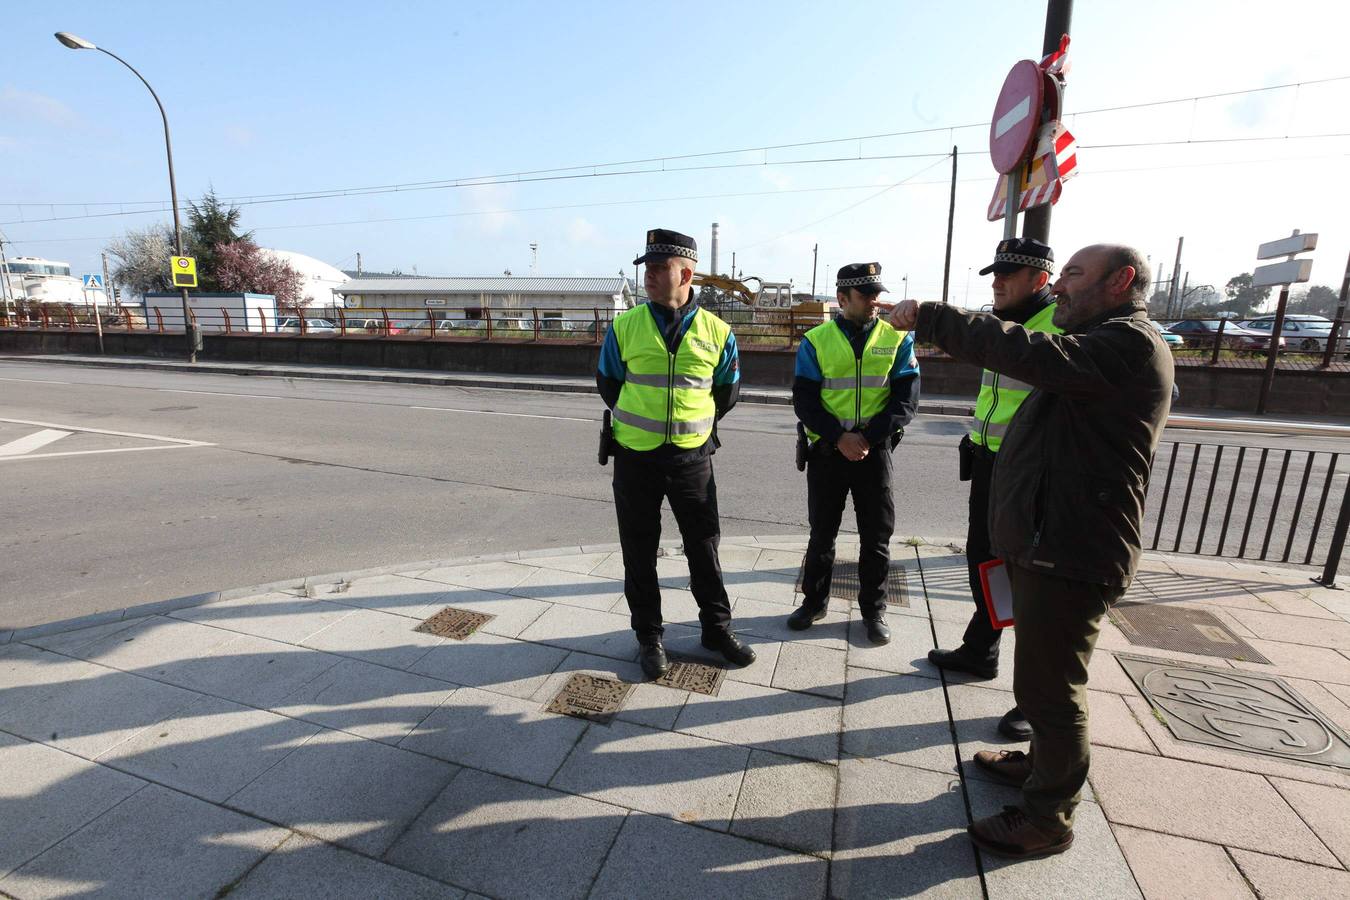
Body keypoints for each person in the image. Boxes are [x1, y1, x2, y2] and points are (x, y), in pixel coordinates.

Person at [890, 243, 1173, 859]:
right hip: (1054, 541)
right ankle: (1041, 769)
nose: (1062, 287)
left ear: (1120, 281)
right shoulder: (1106, 341)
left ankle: (1048, 818)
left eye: (1073, 274)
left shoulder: (1128, 344)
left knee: (1052, 689)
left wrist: (933, 317)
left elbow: (1027, 351)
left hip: (1074, 549)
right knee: (1040, 675)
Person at [596, 228, 755, 680]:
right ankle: (649, 638)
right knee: (639, 552)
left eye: (658, 267)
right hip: (636, 457)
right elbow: (608, 383)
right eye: (645, 267)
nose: (648, 275)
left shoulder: (718, 331)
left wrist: (689, 427)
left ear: (685, 273)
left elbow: (727, 392)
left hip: (691, 458)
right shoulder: (625, 326)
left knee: (704, 549)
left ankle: (716, 631)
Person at [927, 238, 1060, 742]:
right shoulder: (1005, 326)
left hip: (1034, 475)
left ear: (1040, 280)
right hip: (990, 464)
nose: (996, 282)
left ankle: (1038, 702)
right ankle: (981, 649)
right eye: (994, 273)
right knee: (984, 560)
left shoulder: (1064, 327)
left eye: (1009, 274)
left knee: (1034, 582)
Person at [787, 263, 920, 645]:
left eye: (877, 293)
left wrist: (865, 437)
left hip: (874, 453)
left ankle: (873, 611)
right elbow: (805, 401)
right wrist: (839, 437)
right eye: (866, 295)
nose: (875, 301)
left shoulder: (897, 340)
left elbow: (906, 401)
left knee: (876, 538)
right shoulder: (816, 340)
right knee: (822, 534)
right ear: (843, 299)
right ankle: (813, 603)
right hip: (828, 453)